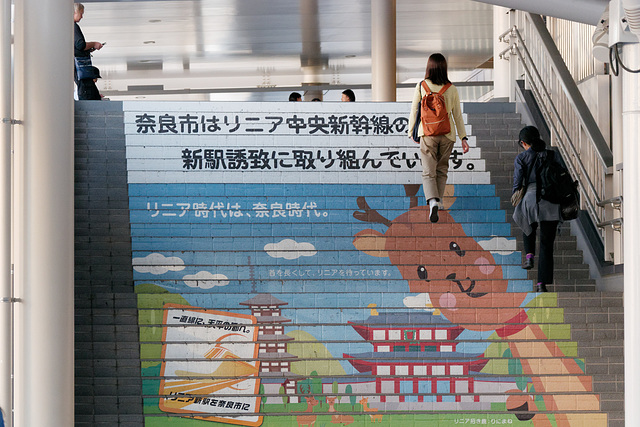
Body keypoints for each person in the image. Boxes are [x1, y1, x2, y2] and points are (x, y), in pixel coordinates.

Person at [408, 53, 469, 223]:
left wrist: (411, 130)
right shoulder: (451, 88)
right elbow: (457, 115)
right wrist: (463, 137)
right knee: (442, 169)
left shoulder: (422, 86)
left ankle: (432, 201)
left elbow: (414, 110)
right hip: (447, 134)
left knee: (428, 171)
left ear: (429, 67)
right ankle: (439, 201)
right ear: (444, 68)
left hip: (427, 133)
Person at [512, 125, 562, 293]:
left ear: (524, 143)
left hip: (531, 198)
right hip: (552, 201)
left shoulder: (521, 158)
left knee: (527, 223)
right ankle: (542, 284)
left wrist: (516, 194)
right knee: (547, 244)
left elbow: (518, 183)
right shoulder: (552, 155)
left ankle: (529, 256)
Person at [74, 3, 103, 83]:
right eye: (81, 14)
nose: (82, 17)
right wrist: (94, 44)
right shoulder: (74, 27)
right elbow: (80, 45)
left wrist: (89, 48)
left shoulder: (68, 27)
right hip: (78, 64)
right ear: (74, 12)